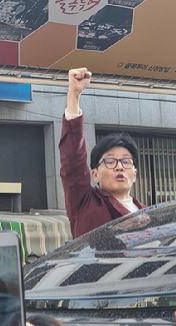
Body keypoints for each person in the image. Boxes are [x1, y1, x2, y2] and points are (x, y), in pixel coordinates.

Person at [60, 68, 145, 238]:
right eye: (110, 161)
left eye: (126, 162)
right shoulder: (86, 203)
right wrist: (74, 95)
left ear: (134, 174)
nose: (119, 167)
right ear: (95, 175)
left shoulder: (148, 213)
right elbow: (73, 162)